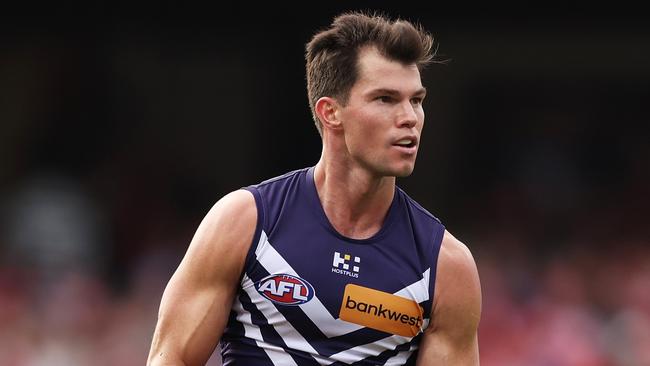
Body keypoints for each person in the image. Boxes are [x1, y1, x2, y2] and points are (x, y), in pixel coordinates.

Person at [147, 10, 481, 365]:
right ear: (330, 112)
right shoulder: (245, 221)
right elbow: (171, 358)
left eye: (416, 100)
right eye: (385, 99)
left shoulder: (445, 266)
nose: (410, 118)